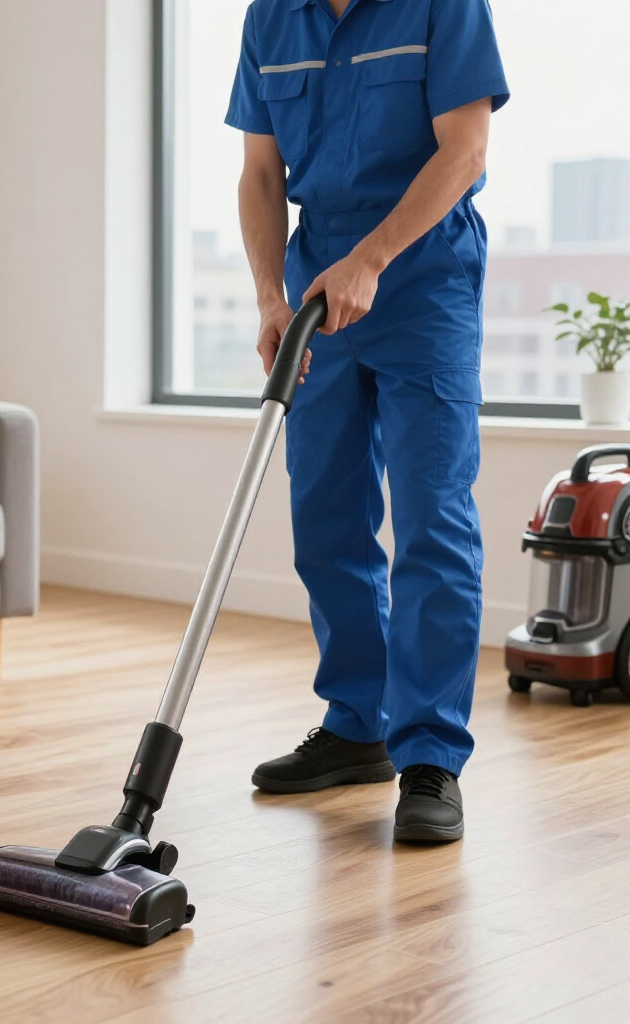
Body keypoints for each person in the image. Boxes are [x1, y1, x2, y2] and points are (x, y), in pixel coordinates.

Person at [226, 0, 509, 843]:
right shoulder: (271, 17)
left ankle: (430, 756)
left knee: (431, 518)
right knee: (326, 515)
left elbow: (465, 150)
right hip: (318, 285)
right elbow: (262, 175)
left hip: (424, 275)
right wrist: (271, 297)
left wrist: (374, 257)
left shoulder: (444, 5)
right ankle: (358, 725)